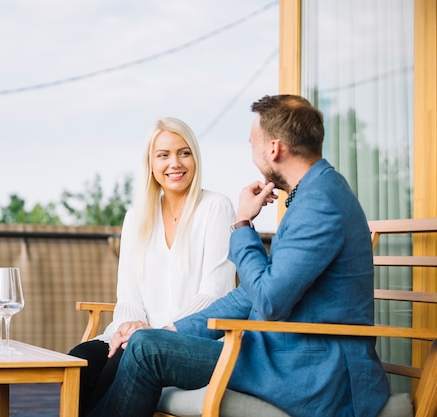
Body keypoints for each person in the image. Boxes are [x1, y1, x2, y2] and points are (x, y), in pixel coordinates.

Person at [86, 95, 391, 417]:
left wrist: (242, 225)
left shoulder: (320, 202)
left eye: (252, 144)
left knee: (147, 350)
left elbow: (269, 300)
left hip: (311, 369)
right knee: (146, 344)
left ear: (273, 149)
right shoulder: (314, 194)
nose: (252, 153)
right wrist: (171, 332)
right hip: (277, 354)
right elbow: (250, 293)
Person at [69, 117, 237, 416]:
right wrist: (129, 328)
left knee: (126, 357)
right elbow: (129, 295)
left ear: (195, 157)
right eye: (164, 155)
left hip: (186, 341)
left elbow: (216, 295)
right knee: (81, 360)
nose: (175, 163)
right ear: (150, 162)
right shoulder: (137, 217)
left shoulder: (216, 207)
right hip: (136, 337)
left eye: (184, 152)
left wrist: (150, 333)